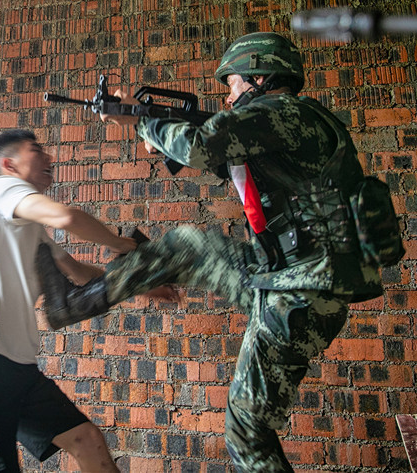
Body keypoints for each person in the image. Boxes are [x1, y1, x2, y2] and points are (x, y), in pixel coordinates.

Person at [40, 32, 384, 472]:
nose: (228, 95)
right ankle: (75, 300)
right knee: (187, 246)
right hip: (281, 277)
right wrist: (150, 129)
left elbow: (202, 145)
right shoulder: (286, 125)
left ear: (260, 77)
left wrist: (145, 122)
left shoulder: (285, 113)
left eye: (233, 83)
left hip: (299, 292)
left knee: (247, 432)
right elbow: (214, 157)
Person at [0, 129, 173, 472]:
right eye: (37, 151)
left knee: (85, 439)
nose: (50, 159)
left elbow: (75, 271)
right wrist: (123, 246)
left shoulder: (28, 227)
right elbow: (68, 217)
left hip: (14, 364)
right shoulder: (2, 189)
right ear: (9, 165)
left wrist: (139, 284)